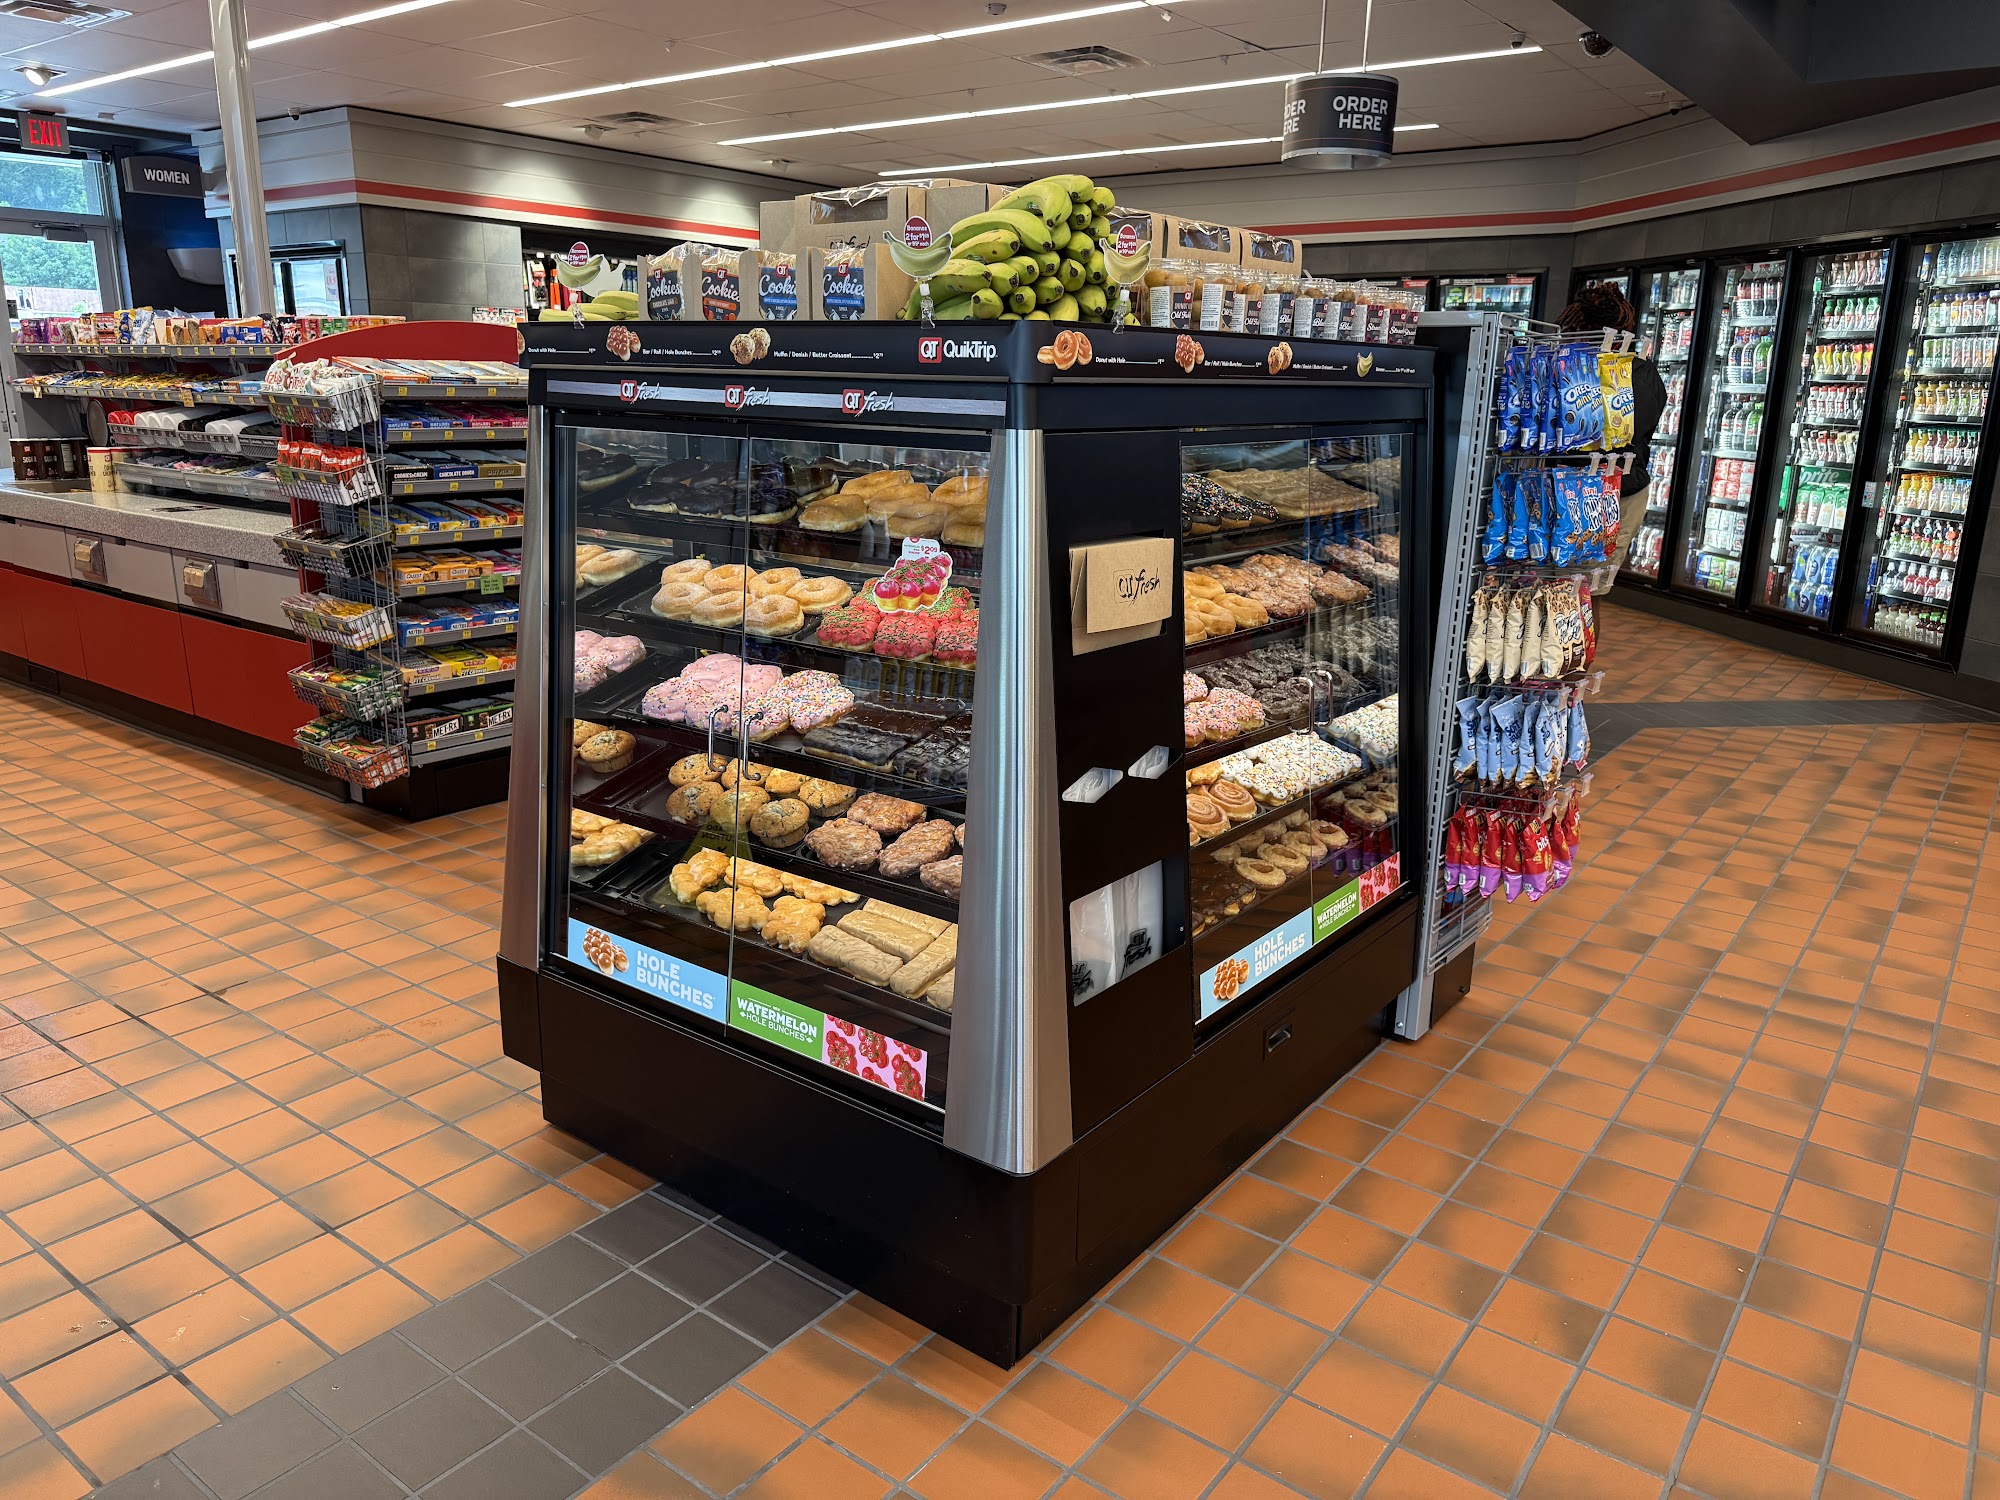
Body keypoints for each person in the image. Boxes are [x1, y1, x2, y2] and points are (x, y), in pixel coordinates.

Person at [1557, 282, 1667, 584]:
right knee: (1584, 590)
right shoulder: (1641, 372)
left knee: (1578, 589)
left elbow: (1628, 430)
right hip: (1606, 489)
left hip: (1608, 493)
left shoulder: (1636, 373)